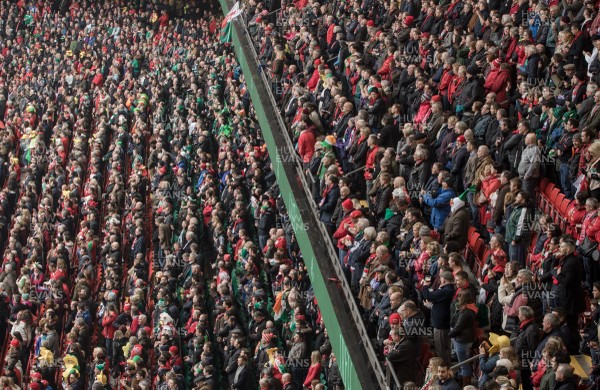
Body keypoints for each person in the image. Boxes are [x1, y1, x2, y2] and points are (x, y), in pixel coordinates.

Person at [448, 289, 478, 387]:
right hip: (464, 339)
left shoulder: (466, 312)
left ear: (464, 298)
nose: (458, 299)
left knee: (464, 364)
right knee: (463, 362)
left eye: (460, 297)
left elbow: (458, 327)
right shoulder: (469, 308)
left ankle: (466, 385)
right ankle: (461, 380)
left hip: (462, 340)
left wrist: (449, 334)